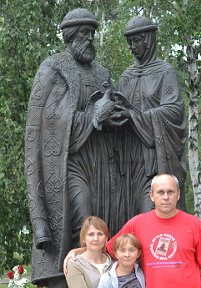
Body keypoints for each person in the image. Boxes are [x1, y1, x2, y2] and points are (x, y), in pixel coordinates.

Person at [25, 8, 120, 287]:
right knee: (84, 213)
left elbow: (108, 112)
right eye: (84, 33)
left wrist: (114, 114)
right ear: (70, 36)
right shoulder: (53, 68)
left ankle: (100, 278)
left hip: (101, 160)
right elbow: (47, 121)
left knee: (102, 221)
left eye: (92, 33)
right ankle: (71, 278)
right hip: (69, 161)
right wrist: (93, 115)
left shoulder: (101, 73)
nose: (90, 39)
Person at [104, 16, 187, 230]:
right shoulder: (127, 76)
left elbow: (174, 110)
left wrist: (135, 115)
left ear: (149, 40)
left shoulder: (165, 72)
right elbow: (121, 109)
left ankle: (155, 262)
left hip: (152, 159)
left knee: (148, 212)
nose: (132, 47)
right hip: (127, 158)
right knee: (127, 218)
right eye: (129, 42)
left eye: (136, 41)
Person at [64, 174, 201, 288]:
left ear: (178, 194)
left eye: (171, 192)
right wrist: (78, 251)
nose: (166, 197)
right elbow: (108, 247)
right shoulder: (137, 223)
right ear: (152, 196)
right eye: (160, 192)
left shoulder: (194, 224)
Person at [66, 216, 113, 288]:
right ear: (84, 239)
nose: (96, 238)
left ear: (106, 238)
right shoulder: (75, 264)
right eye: (91, 234)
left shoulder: (114, 263)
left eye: (100, 234)